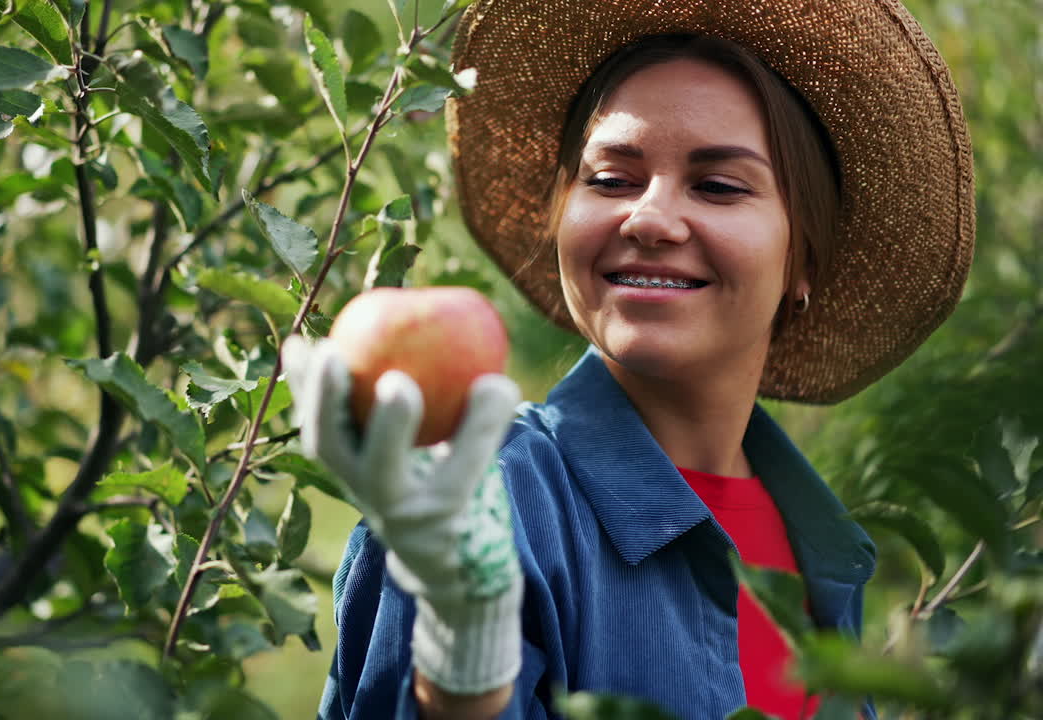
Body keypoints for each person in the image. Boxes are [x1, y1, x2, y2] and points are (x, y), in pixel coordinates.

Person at [284, 1, 975, 718]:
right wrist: (464, 661)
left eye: (718, 186)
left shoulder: (823, 548)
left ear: (802, 256)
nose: (647, 217)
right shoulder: (469, 520)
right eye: (611, 178)